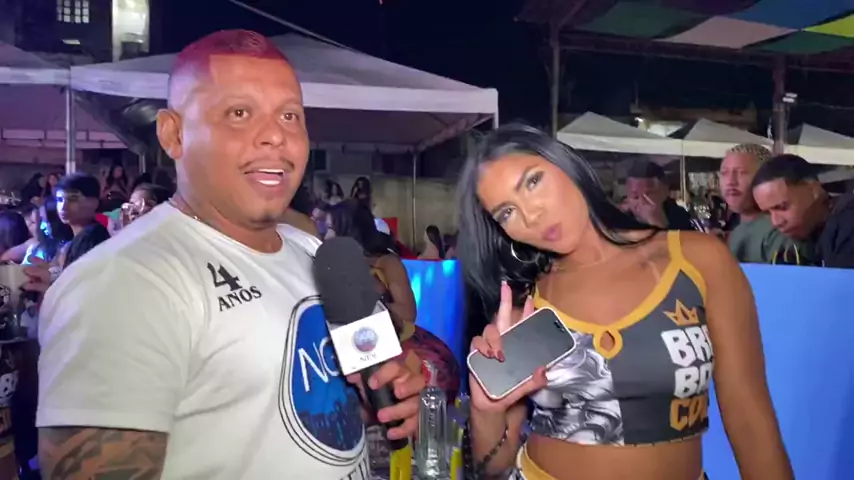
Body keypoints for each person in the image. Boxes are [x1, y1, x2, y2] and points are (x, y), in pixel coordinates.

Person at [28, 29, 423, 479]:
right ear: (173, 134)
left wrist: (380, 398)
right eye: (239, 113)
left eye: (290, 115)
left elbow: (360, 383)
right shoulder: (121, 284)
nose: (275, 136)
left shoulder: (315, 253)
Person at [457, 125, 792, 480]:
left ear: (564, 163)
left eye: (533, 182)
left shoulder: (696, 260)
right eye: (507, 212)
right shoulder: (525, 305)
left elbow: (749, 418)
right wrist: (486, 411)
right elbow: (493, 468)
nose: (531, 215)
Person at [752, 154, 854, 268]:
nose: (776, 222)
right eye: (768, 213)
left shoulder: (848, 223)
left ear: (813, 189)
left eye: (782, 207)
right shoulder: (795, 246)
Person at [719, 144, 805, 264]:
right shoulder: (736, 232)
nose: (730, 181)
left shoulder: (779, 231)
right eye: (724, 173)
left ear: (765, 177)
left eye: (742, 173)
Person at [625, 161, 694, 231]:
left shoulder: (679, 215)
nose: (642, 201)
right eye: (635, 196)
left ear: (664, 192)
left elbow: (687, 236)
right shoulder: (623, 220)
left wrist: (656, 221)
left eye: (648, 194)